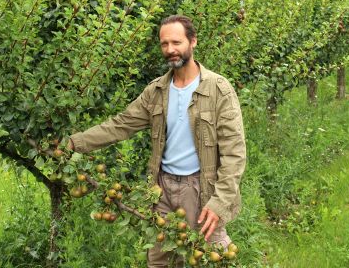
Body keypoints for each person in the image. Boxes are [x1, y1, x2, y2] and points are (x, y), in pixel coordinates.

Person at [67, 15, 246, 267]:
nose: (170, 50)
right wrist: (74, 143)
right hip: (162, 189)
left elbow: (234, 154)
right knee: (160, 261)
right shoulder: (156, 91)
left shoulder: (219, 90)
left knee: (211, 257)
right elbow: (120, 125)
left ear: (193, 41)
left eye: (176, 42)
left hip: (201, 190)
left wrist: (219, 202)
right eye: (164, 44)